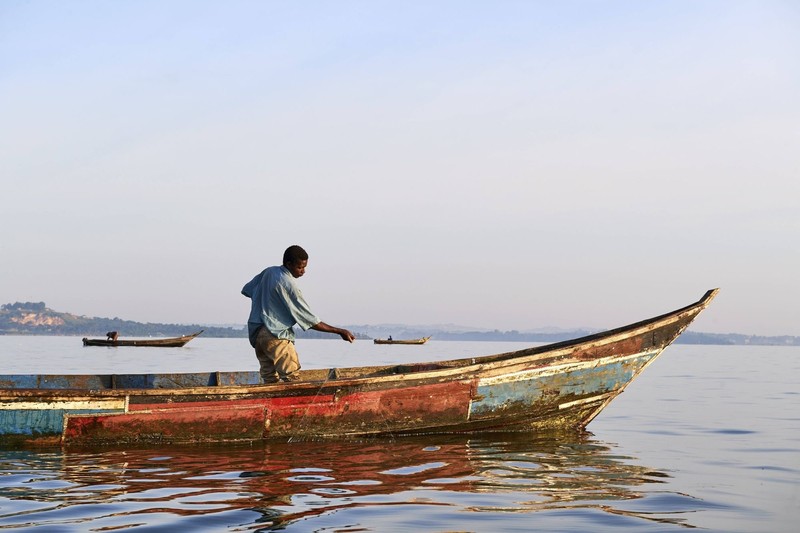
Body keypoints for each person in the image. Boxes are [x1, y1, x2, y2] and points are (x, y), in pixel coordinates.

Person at [241, 245, 355, 383]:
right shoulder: (288, 285)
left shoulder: (269, 272)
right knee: (292, 378)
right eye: (300, 267)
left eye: (304, 267)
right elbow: (310, 320)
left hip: (258, 334)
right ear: (289, 264)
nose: (303, 271)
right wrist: (339, 331)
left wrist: (268, 300)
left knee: (269, 379)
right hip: (276, 336)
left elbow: (247, 290)